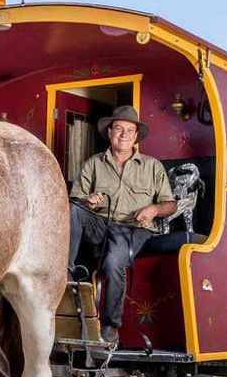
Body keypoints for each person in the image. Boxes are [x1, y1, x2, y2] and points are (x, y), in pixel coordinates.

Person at [68, 106, 177, 345]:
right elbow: (76, 199)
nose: (124, 134)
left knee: (113, 262)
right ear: (109, 133)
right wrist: (89, 202)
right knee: (74, 209)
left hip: (134, 228)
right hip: (101, 224)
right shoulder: (94, 164)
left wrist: (154, 209)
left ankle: (110, 327)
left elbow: (171, 204)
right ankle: (67, 272)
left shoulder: (152, 166)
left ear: (136, 136)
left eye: (130, 130)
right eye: (119, 128)